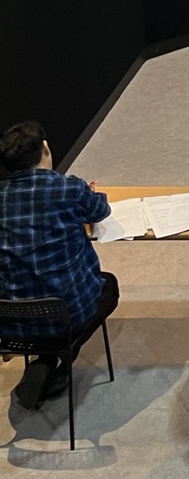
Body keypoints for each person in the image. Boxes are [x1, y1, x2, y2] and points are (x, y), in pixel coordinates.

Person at [0, 119, 120, 410]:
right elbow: (101, 210)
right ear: (45, 149)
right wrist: (87, 194)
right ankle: (60, 356)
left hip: (11, 321)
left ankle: (47, 357)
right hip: (66, 313)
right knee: (110, 286)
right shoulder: (68, 189)